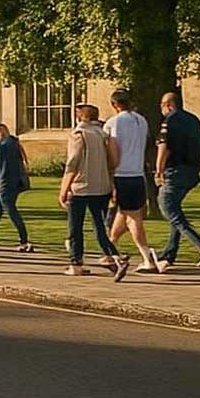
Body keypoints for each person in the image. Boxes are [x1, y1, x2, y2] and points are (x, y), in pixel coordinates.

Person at [60, 104, 130, 279]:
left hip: (81, 187)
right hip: (101, 187)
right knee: (99, 226)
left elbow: (72, 164)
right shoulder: (103, 135)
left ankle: (76, 263)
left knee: (75, 227)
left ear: (80, 117)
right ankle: (115, 257)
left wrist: (64, 188)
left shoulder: (79, 135)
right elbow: (112, 161)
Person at [153, 91, 200, 269]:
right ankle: (170, 252)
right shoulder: (194, 120)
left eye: (162, 105)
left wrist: (159, 170)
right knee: (176, 210)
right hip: (192, 171)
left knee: (168, 208)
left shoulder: (169, 121)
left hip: (175, 170)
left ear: (168, 105)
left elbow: (164, 147)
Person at [101, 90, 160, 273]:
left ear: (115, 105)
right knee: (124, 213)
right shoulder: (141, 120)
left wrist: (109, 172)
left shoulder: (113, 122)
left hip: (121, 174)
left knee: (133, 218)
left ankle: (147, 257)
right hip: (137, 173)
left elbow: (112, 150)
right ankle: (110, 249)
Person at [0, 123, 34, 252]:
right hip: (15, 183)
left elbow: (0, 167)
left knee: (12, 212)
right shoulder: (15, 144)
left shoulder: (0, 146)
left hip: (4, 185)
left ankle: (24, 241)